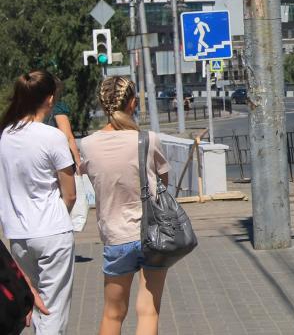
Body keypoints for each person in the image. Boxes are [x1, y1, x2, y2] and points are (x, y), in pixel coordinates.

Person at [80, 76, 171, 335]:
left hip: (115, 237)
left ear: (102, 104)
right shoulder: (148, 139)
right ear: (133, 103)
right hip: (152, 235)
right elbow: (164, 181)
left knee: (112, 314)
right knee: (148, 311)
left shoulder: (87, 145)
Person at [0, 70, 77, 335]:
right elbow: (70, 194)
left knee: (34, 303)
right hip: (53, 231)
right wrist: (60, 215)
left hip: (19, 236)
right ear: (50, 98)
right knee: (53, 307)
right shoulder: (52, 137)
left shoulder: (5, 136)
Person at [45, 83, 89, 234]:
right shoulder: (57, 108)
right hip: (60, 160)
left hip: (42, 159)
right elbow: (68, 136)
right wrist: (77, 162)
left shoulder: (29, 110)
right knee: (66, 197)